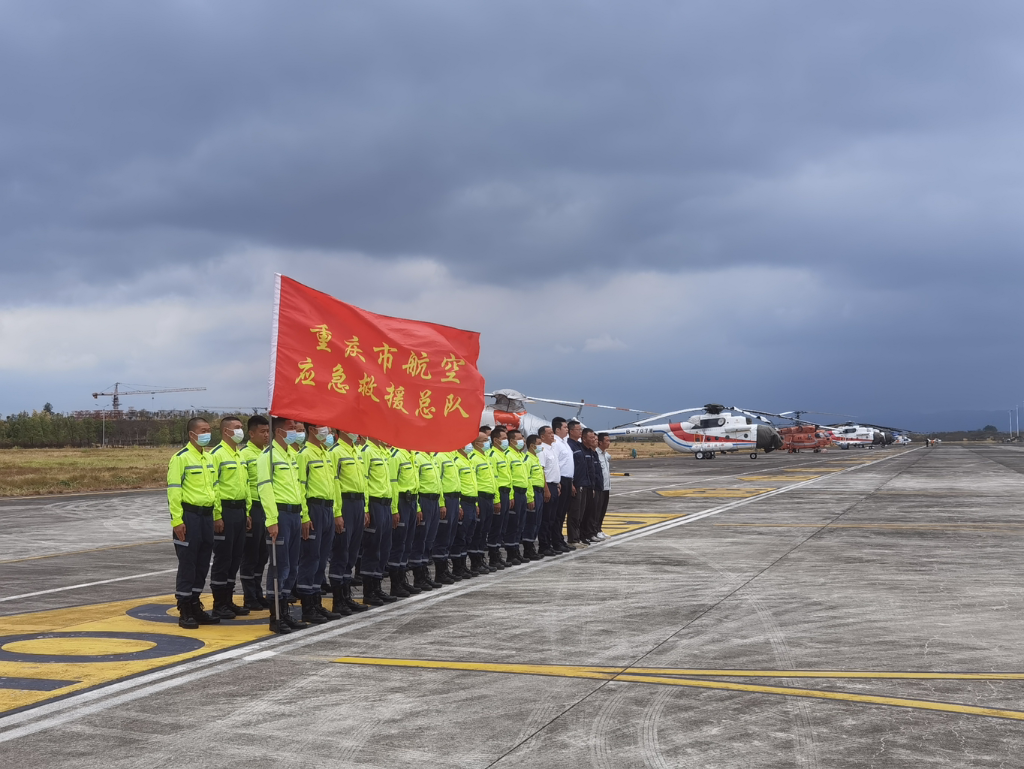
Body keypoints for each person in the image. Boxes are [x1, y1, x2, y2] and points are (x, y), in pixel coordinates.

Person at [167, 417, 220, 629]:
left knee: (202, 562)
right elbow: (174, 491)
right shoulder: (181, 458)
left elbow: (214, 490)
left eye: (209, 430)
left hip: (207, 516)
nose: (208, 433)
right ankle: (185, 607)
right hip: (189, 517)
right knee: (188, 563)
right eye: (203, 430)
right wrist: (177, 521)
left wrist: (217, 515)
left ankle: (196, 602)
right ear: (192, 434)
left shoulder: (208, 458)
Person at [256, 417, 308, 634]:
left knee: (293, 566)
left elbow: (299, 488)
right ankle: (275, 616)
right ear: (279, 431)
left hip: (295, 514)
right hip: (281, 515)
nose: (295, 430)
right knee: (280, 566)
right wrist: (272, 520)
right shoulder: (267, 457)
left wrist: (304, 516)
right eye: (290, 428)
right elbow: (265, 490)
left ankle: (285, 610)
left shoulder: (291, 455)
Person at [294, 423, 341, 624]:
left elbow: (334, 486)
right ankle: (307, 606)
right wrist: (305, 516)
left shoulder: (326, 453)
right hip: (313, 509)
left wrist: (337, 512)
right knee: (310, 558)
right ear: (312, 429)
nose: (328, 433)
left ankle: (317, 602)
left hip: (328, 508)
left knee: (322, 559)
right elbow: (300, 487)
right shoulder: (304, 454)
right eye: (324, 429)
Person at [208, 416, 252, 620]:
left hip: (240, 511)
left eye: (241, 428)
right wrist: (217, 515)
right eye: (237, 428)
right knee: (223, 558)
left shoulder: (239, 454)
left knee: (235, 557)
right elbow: (213, 486)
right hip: (224, 511)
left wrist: (248, 511)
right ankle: (218, 603)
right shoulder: (217, 455)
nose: (240, 431)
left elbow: (246, 486)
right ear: (226, 431)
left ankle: (228, 600)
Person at [326, 430, 370, 615]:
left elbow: (364, 482)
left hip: (358, 504)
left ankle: (346, 596)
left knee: (352, 553)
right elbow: (333, 484)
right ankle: (338, 599)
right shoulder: (335, 452)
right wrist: (337, 513)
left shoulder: (356, 451)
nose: (356, 432)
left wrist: (365, 507)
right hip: (344, 504)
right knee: (341, 551)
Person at [360, 437, 399, 606]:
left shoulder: (383, 452)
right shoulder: (367, 452)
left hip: (386, 504)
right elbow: (365, 482)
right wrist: (366, 508)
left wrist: (393, 508)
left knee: (384, 547)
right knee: (373, 548)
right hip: (375, 503)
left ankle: (377, 586)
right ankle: (369, 591)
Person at [239, 415, 271, 611]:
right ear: (251, 434)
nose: (266, 435)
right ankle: (249, 596)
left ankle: (258, 593)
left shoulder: (268, 454)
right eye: (262, 432)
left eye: (268, 431)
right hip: (254, 508)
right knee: (250, 556)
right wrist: (248, 512)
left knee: (263, 554)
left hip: (267, 508)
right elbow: (244, 484)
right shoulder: (244, 455)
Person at [387, 444, 420, 597]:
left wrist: (418, 506)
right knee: (398, 543)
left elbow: (415, 485)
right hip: (401, 502)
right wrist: (394, 509)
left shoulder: (411, 454)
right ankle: (395, 584)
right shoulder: (396, 455)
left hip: (412, 501)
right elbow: (393, 484)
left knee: (408, 542)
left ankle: (402, 580)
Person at [410, 450, 443, 591]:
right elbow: (415, 485)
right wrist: (418, 507)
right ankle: (418, 577)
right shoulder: (417, 458)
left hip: (434, 501)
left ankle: (424, 574)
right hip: (424, 501)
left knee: (430, 540)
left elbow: (438, 483)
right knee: (420, 540)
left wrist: (441, 503)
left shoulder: (432, 458)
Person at [469, 430, 498, 574]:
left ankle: (480, 559)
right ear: (477, 443)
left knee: (485, 530)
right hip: (480, 497)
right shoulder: (473, 458)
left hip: (489, 497)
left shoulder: (486, 457)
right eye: (485, 440)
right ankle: (475, 562)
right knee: (478, 531)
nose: (488, 443)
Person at [432, 448, 463, 584]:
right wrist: (442, 503)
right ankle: (440, 572)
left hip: (455, 499)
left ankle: (445, 569)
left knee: (450, 536)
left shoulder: (451, 456)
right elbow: (439, 483)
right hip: (446, 500)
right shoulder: (439, 456)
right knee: (443, 537)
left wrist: (460, 505)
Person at [450, 440, 479, 579]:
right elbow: (457, 485)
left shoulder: (469, 461)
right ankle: (457, 567)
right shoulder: (456, 461)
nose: (470, 446)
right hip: (464, 502)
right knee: (460, 535)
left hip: (472, 502)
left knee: (468, 535)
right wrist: (460, 505)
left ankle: (463, 565)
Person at [485, 425, 512, 569]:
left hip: (507, 492)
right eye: (504, 438)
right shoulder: (492, 455)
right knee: (495, 527)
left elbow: (509, 478)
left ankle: (497, 554)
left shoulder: (504, 454)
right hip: (499, 493)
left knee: (502, 526)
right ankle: (493, 557)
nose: (506, 441)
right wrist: (497, 499)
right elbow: (494, 479)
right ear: (495, 440)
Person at [504, 428, 530, 564]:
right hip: (514, 493)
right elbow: (509, 478)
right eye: (519, 439)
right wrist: (511, 496)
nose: (522, 441)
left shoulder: (520, 455)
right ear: (511, 441)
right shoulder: (508, 455)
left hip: (522, 493)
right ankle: (510, 553)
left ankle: (516, 550)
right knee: (513, 524)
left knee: (520, 524)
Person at [551, 417, 575, 552]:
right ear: (558, 429)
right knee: (557, 513)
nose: (567, 430)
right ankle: (555, 541)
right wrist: (559, 482)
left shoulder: (564, 442)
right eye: (565, 427)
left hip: (568, 480)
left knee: (562, 513)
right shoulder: (555, 443)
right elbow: (556, 465)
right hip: (561, 480)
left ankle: (559, 539)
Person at [537, 425, 562, 557]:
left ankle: (550, 544)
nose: (552, 435)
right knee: (545, 519)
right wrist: (546, 489)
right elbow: (541, 471)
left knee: (552, 518)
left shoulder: (552, 449)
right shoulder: (542, 450)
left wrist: (557, 485)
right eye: (550, 433)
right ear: (542, 436)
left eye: (553, 433)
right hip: (547, 486)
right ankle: (543, 546)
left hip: (554, 485)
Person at [566, 421, 591, 546]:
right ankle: (572, 539)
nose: (580, 432)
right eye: (578, 430)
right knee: (574, 513)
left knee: (581, 512)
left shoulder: (579, 445)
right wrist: (571, 483)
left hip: (583, 483)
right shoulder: (569, 445)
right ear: (571, 431)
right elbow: (569, 467)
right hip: (576, 483)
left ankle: (579, 536)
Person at [522, 434, 546, 560]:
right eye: (539, 444)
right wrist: (530, 497)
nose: (541, 446)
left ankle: (531, 546)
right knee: (531, 522)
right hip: (533, 493)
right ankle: (528, 548)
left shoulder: (535, 458)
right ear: (532, 445)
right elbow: (528, 480)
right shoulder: (527, 460)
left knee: (537, 521)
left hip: (539, 492)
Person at [579, 429, 603, 543]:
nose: (595, 441)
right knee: (586, 512)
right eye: (593, 438)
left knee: (594, 512)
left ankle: (592, 531)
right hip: (588, 486)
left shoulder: (594, 454)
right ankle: (585, 533)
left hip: (596, 486)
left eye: (596, 439)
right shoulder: (585, 452)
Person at [593, 433, 612, 541]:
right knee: (596, 510)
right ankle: (594, 530)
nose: (609, 443)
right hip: (599, 487)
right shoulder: (596, 453)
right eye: (607, 441)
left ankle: (599, 529)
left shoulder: (605, 454)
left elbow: (610, 457)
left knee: (602, 510)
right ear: (600, 442)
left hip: (606, 486)